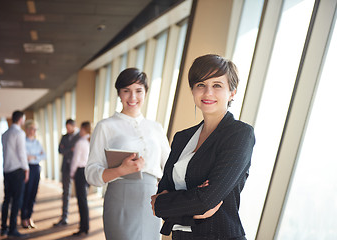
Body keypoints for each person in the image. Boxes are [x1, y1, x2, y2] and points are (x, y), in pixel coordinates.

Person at [151, 54, 256, 240]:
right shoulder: (182, 138)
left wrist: (169, 203)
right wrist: (193, 204)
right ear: (193, 90)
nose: (208, 93)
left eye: (217, 85)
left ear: (232, 92)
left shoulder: (240, 134)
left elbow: (206, 200)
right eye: (201, 85)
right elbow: (160, 199)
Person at [85, 68, 170, 240]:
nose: (132, 97)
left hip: (153, 202)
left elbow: (170, 167)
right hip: (120, 200)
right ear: (119, 94)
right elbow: (91, 173)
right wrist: (120, 171)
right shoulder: (105, 126)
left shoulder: (156, 128)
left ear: (146, 92)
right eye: (126, 91)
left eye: (138, 91)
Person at [1, 110, 29, 237]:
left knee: (7, 200)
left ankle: (4, 228)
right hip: (17, 171)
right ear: (21, 119)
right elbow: (21, 153)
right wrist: (26, 169)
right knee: (16, 200)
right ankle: (13, 229)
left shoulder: (5, 134)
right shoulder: (19, 133)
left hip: (6, 170)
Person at [54, 119, 80, 226]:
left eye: (69, 128)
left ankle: (82, 221)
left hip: (78, 168)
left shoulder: (80, 137)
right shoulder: (64, 137)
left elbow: (78, 151)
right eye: (67, 128)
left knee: (80, 194)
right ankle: (64, 217)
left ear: (74, 126)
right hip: (66, 168)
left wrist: (67, 149)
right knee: (66, 193)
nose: (68, 130)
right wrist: (71, 149)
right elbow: (60, 150)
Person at [21, 120, 46, 229]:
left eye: (35, 129)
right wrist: (36, 155)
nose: (33, 131)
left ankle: (29, 217)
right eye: (31, 129)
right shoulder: (23, 142)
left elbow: (44, 155)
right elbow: (25, 157)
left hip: (36, 168)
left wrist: (34, 156)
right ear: (27, 129)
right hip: (27, 169)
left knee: (34, 194)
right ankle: (23, 218)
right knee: (26, 193)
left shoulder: (37, 142)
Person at [70, 121, 91, 236]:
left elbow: (75, 160)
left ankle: (83, 228)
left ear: (84, 130)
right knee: (84, 200)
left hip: (80, 172)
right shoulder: (91, 142)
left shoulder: (80, 142)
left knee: (81, 201)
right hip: (87, 172)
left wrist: (72, 173)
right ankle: (85, 226)